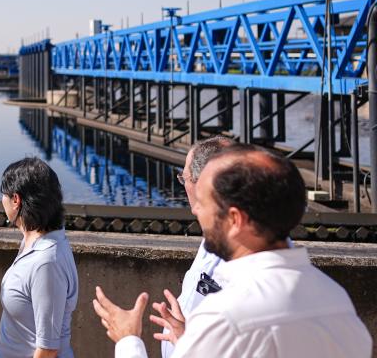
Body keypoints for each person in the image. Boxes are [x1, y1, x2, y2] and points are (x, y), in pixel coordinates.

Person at [93, 144, 372, 357]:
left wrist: (129, 340)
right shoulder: (335, 299)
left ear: (235, 220)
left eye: (204, 203)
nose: (197, 211)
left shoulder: (226, 318)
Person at [159, 136, 234, 357]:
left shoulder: (239, 253)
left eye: (184, 179)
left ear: (202, 184)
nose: (184, 187)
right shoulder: (211, 238)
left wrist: (129, 341)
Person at [0, 157, 78, 358]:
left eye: (4, 195)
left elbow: (48, 349)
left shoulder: (46, 262)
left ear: (16, 200)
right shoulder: (33, 241)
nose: (1, 200)